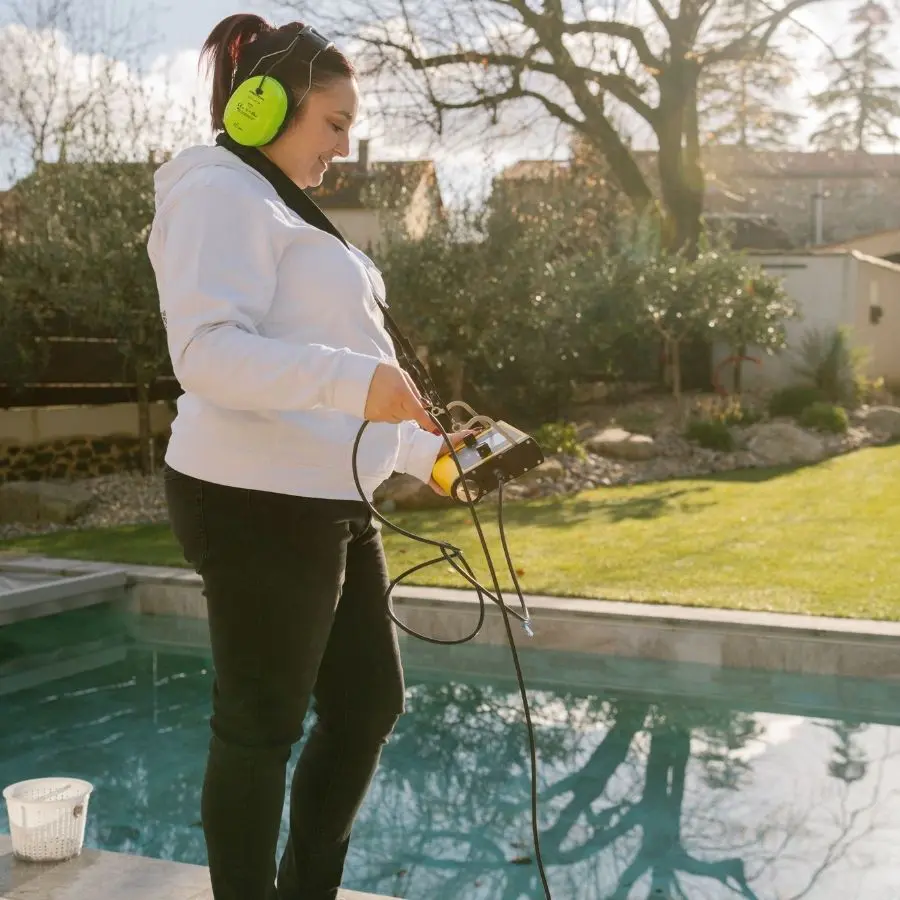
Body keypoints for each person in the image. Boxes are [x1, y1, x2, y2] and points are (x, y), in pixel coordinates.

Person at [146, 14, 469, 900]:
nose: (344, 146)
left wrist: (435, 457)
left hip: (328, 495)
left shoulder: (281, 205)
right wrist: (353, 382)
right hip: (251, 495)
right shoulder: (215, 191)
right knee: (260, 726)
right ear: (262, 108)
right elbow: (207, 353)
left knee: (368, 705)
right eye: (334, 123)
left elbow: (354, 384)